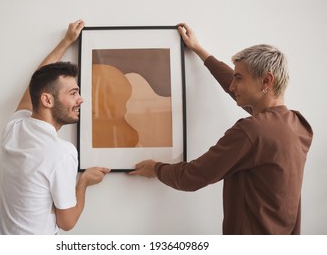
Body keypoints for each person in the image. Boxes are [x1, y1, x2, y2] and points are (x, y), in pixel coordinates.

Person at [129, 23, 313, 235]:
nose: (233, 86)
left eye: (239, 78)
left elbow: (192, 177)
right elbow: (234, 89)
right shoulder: (298, 126)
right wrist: (200, 51)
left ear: (266, 81)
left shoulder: (252, 131)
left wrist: (156, 169)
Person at [0, 19, 110, 235]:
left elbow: (35, 88)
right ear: (47, 100)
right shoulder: (62, 153)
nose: (81, 99)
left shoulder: (14, 129)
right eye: (73, 93)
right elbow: (67, 222)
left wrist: (65, 42)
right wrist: (83, 181)